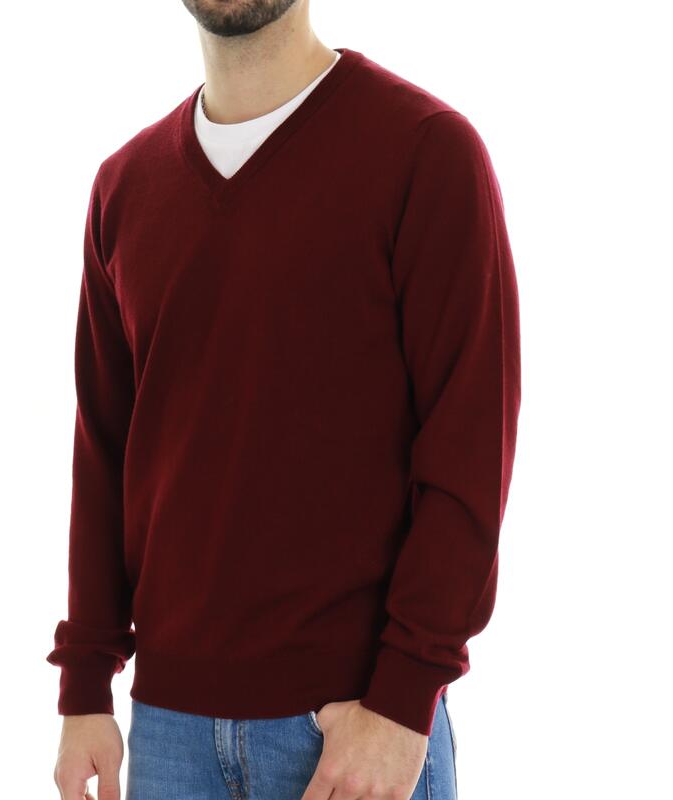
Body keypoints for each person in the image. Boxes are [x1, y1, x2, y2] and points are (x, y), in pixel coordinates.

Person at [46, 1, 521, 798]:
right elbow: (104, 449)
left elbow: (469, 451)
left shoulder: (425, 151)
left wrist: (404, 700)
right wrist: (86, 684)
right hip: (166, 734)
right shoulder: (124, 187)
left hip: (350, 727)